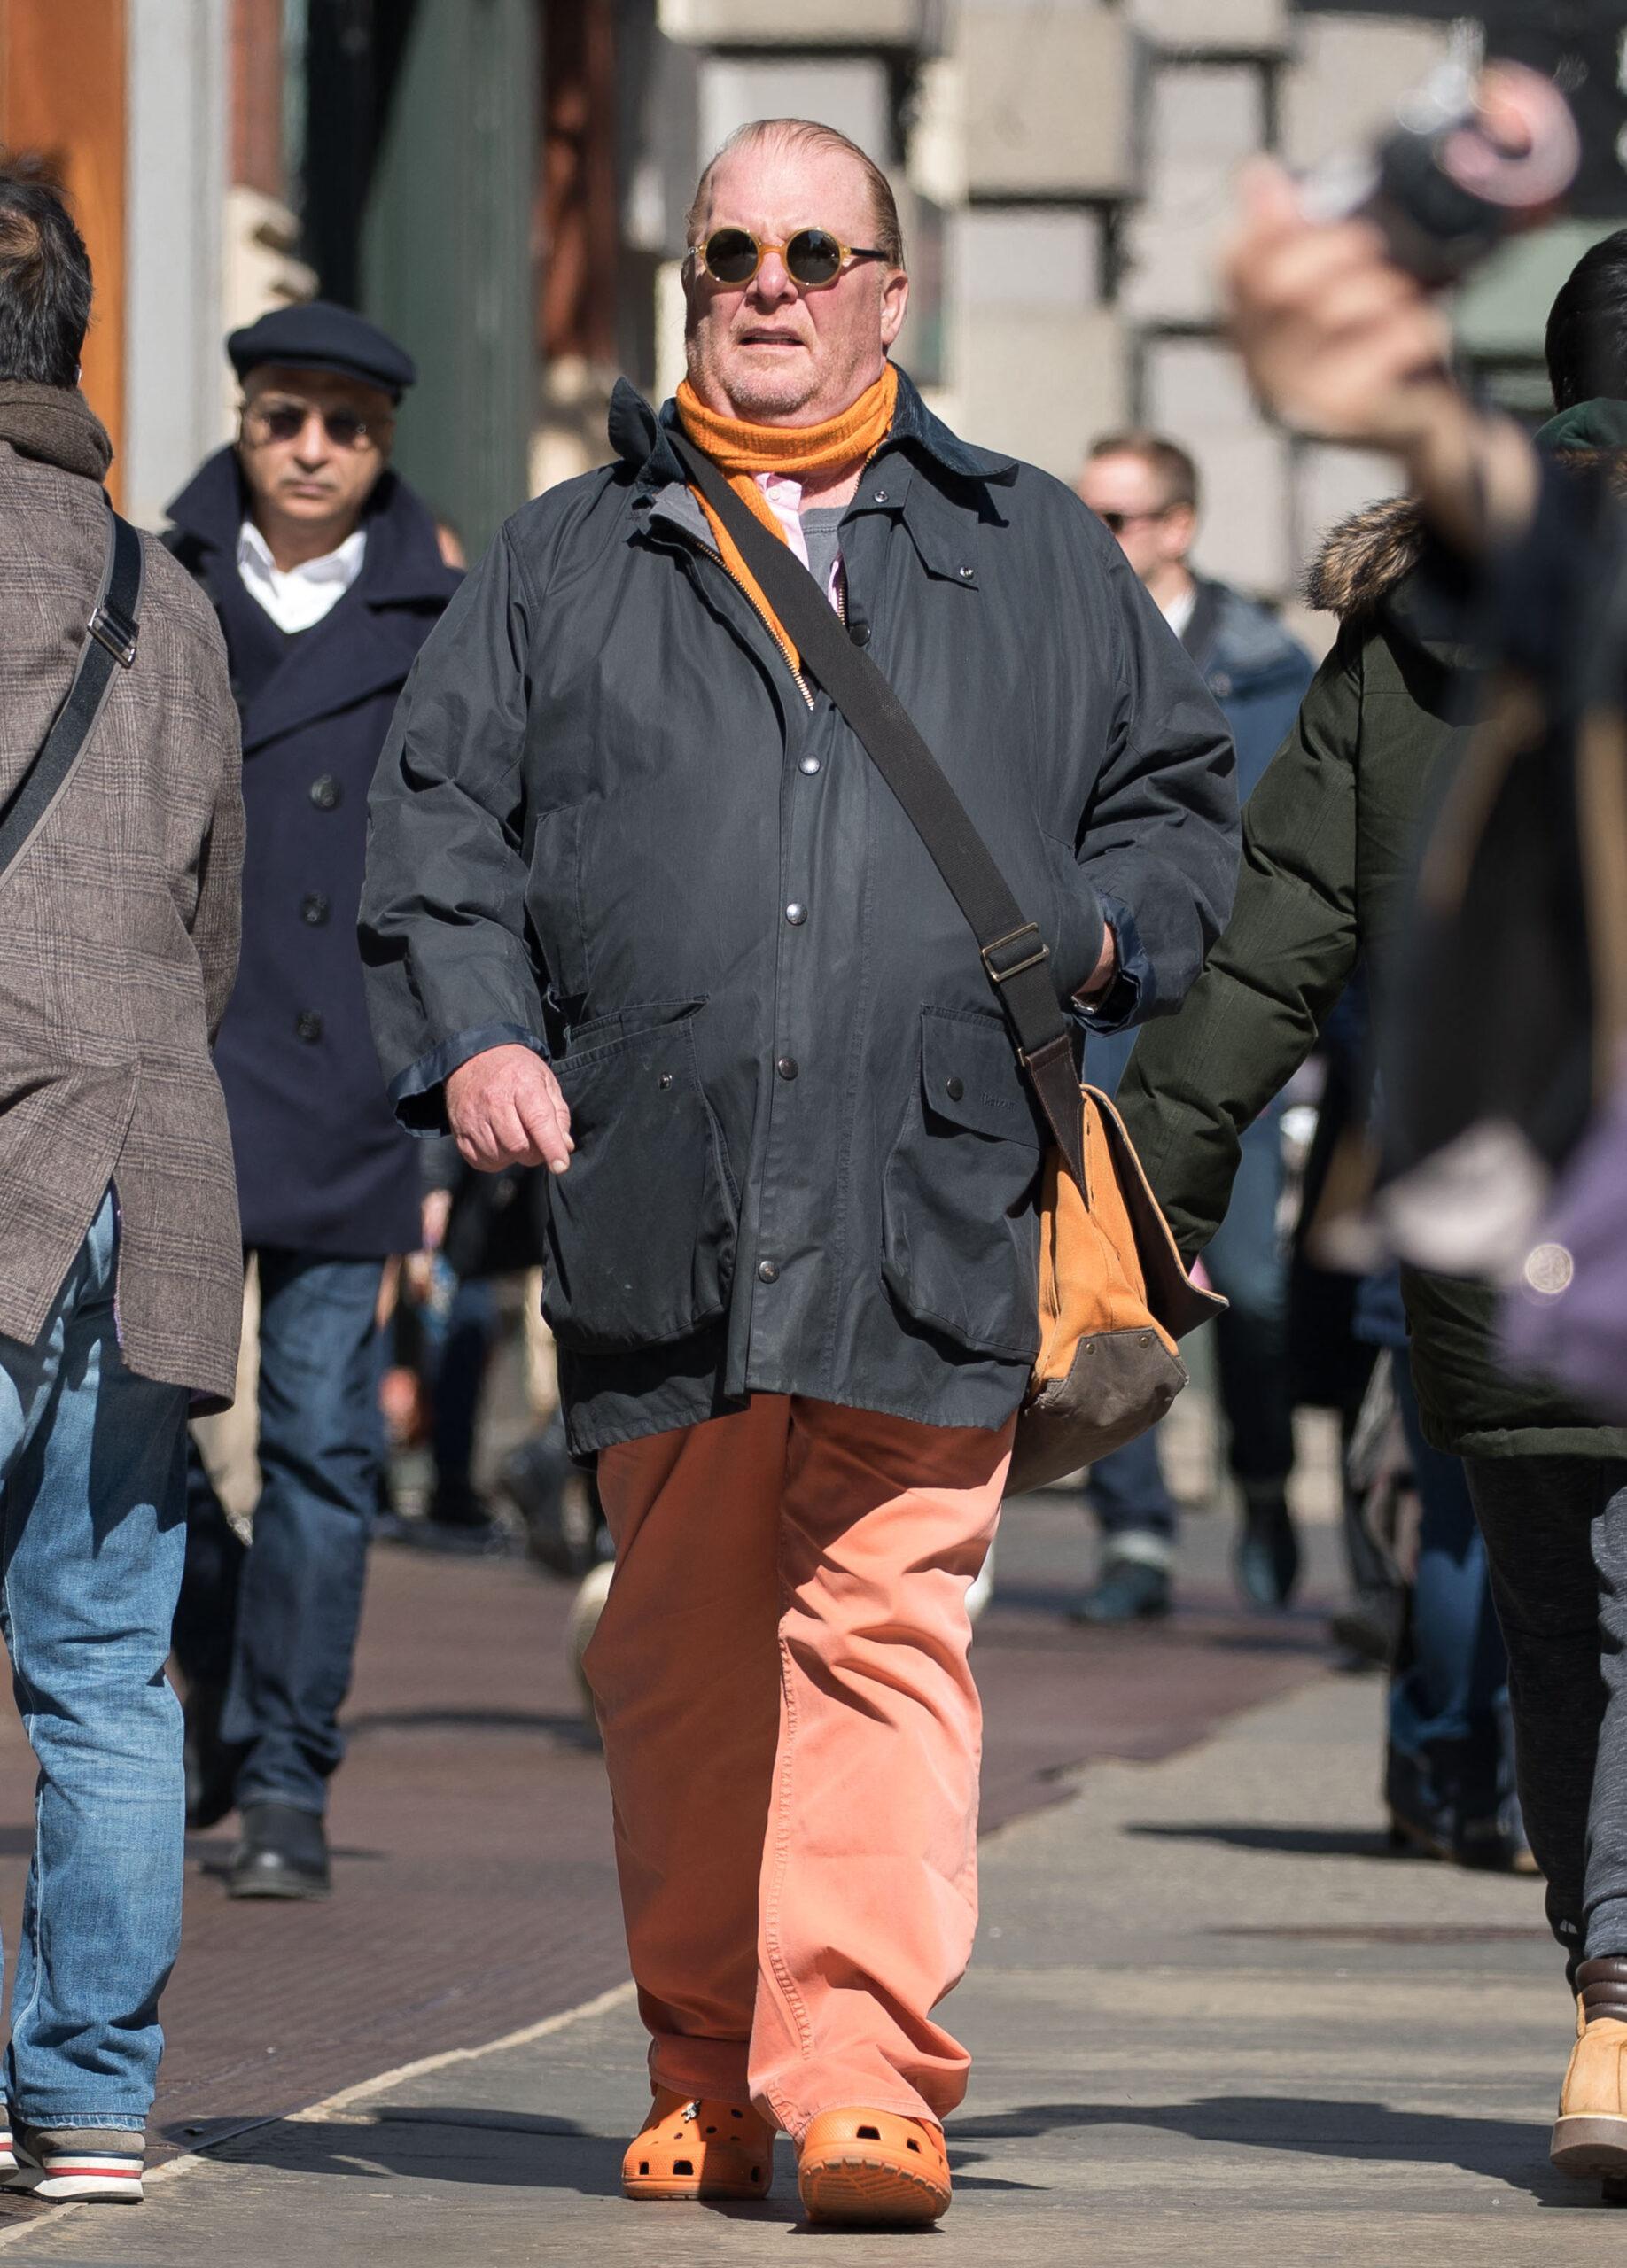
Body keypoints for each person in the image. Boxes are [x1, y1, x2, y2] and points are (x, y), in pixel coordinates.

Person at [361, 117, 1235, 2227]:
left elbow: (1184, 808)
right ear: (691, 284)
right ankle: (704, 2057)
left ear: (888, 291)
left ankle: (855, 2067)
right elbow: (440, 828)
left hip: (936, 1187)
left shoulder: (1031, 544)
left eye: (813, 252)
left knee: (885, 1628)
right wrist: (479, 1030)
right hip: (660, 1186)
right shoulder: (568, 554)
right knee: (676, 1659)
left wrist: (1106, 932)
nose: (769, 283)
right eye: (731, 251)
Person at [1212, 168, 1627, 2186]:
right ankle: (1623, 2000)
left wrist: (1147, 1168)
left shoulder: (1407, 631)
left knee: (1558, 1624)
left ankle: (1607, 1994)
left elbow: (1274, 934)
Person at [0, 159, 243, 2202]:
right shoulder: (170, 591)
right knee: (102, 1667)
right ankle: (88, 2097)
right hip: (153, 1168)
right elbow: (213, 919)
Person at [164, 302, 460, 1899]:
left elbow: (475, 865)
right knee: (134, 1435)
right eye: (284, 417)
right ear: (244, 421)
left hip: (352, 1086)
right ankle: (221, 1649)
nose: (312, 450)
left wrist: (455, 1089)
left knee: (327, 1450)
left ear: (384, 443)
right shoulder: (159, 586)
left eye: (346, 426)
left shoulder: (442, 617)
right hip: (178, 1075)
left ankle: (287, 1774)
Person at [1076, 434, 1313, 1620]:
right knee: (1102, 1284)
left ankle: (1262, 1482)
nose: (1097, 540)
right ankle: (1136, 1539)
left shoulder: (1272, 672)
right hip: (1097, 1014)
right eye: (1086, 516)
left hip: (1236, 1022)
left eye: (1118, 520)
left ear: (1179, 527)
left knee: (1254, 1291)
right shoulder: (1055, 649)